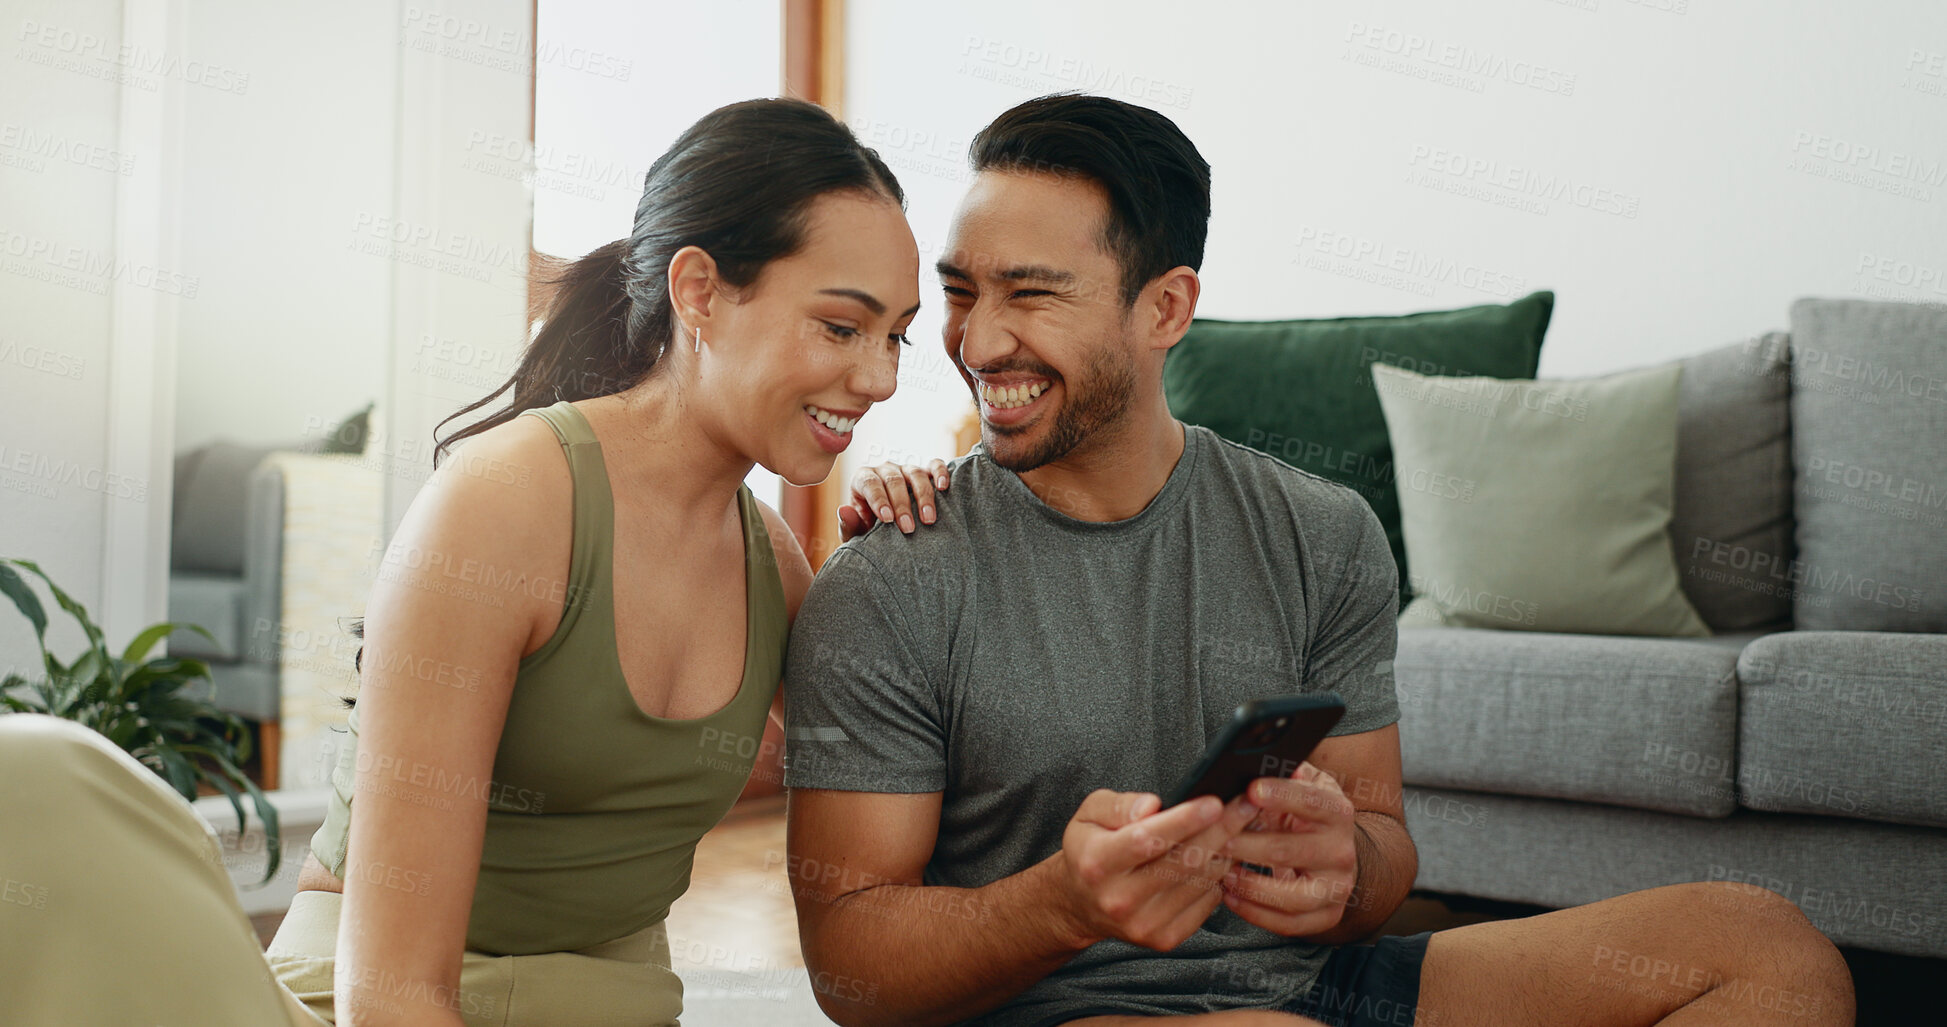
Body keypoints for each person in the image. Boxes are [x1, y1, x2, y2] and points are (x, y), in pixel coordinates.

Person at [783, 93, 1856, 1027]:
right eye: (963, 291)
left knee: (1763, 946)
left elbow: (1384, 849)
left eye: (1033, 292)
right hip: (1068, 1004)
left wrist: (1346, 872)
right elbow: (853, 967)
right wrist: (1064, 902)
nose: (976, 342)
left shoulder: (1322, 530)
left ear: (1165, 308)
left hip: (1320, 985)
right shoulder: (895, 574)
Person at [0, 97, 920, 1027]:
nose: (880, 378)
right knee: (35, 772)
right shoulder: (506, 505)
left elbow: (909, 782)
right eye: (842, 328)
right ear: (699, 293)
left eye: (897, 337)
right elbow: (391, 994)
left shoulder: (770, 560)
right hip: (369, 1011)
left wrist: (918, 555)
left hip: (607, 1009)